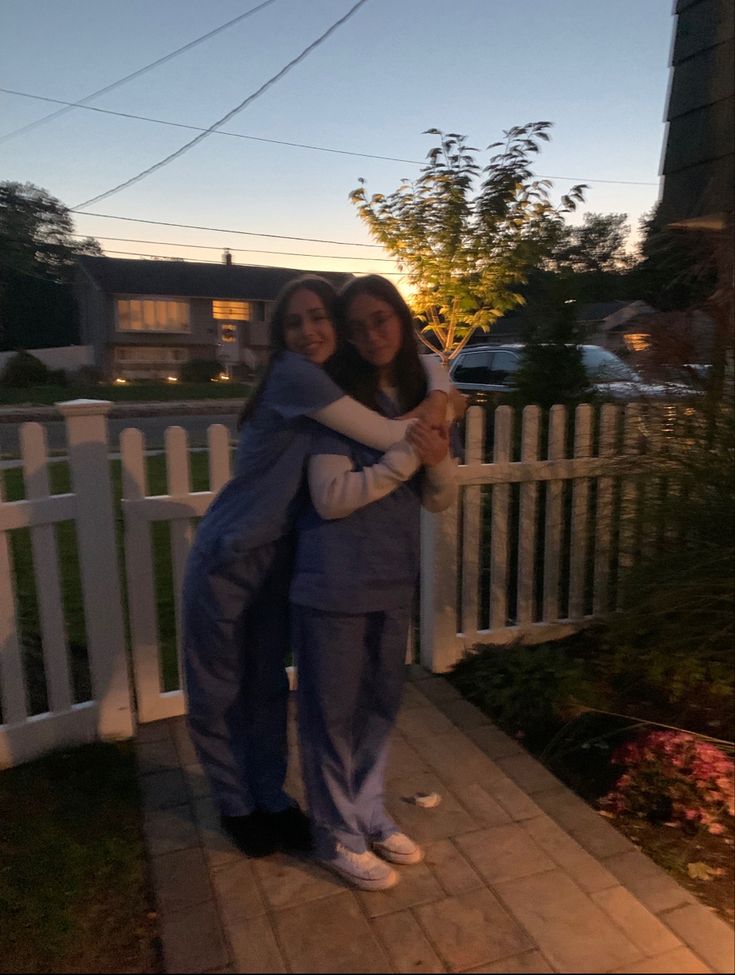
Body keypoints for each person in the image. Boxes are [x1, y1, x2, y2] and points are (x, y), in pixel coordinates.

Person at [182, 274, 452, 859]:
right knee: (218, 688)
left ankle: (271, 798)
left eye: (320, 319)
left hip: (277, 558)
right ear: (280, 334)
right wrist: (437, 407)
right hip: (229, 554)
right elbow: (387, 433)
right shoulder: (296, 374)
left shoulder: (332, 386)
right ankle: (236, 804)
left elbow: (425, 366)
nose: (310, 332)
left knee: (265, 685)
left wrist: (437, 382)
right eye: (295, 321)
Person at [291, 275, 458, 890]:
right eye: (356, 327)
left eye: (380, 320)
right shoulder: (336, 402)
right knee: (331, 715)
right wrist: (412, 454)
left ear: (402, 318)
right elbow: (331, 498)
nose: (370, 336)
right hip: (332, 580)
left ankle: (367, 811)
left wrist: (435, 459)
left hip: (392, 577)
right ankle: (334, 833)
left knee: (380, 708)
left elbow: (439, 498)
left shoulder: (422, 394)